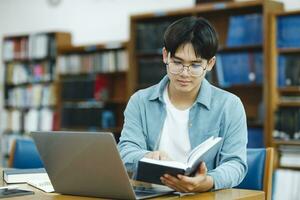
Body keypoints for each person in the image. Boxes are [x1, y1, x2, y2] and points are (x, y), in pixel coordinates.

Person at [118, 16, 247, 193]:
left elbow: (236, 164)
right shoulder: (140, 101)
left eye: (195, 65)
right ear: (165, 56)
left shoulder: (229, 105)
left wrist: (208, 181)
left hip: (203, 195)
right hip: (150, 194)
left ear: (210, 64)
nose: (184, 74)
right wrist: (148, 156)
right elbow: (125, 151)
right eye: (177, 63)